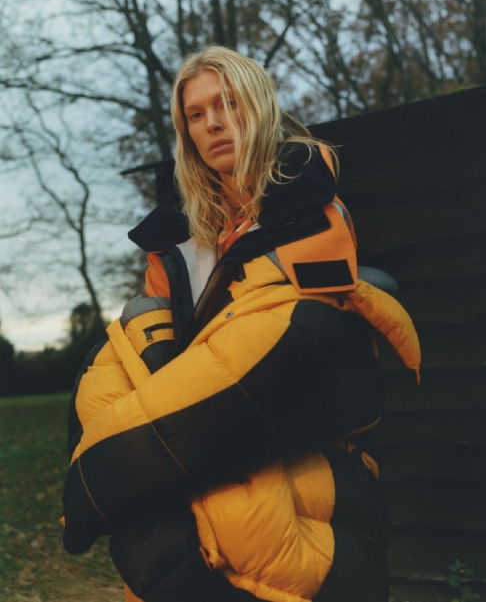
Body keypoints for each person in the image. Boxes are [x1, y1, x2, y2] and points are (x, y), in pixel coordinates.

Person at [62, 46, 420, 602]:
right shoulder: (175, 246)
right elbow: (131, 355)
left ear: (258, 107)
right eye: (196, 114)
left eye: (227, 103)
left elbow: (265, 355)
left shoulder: (312, 213)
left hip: (290, 466)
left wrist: (100, 481)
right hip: (193, 465)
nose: (212, 123)